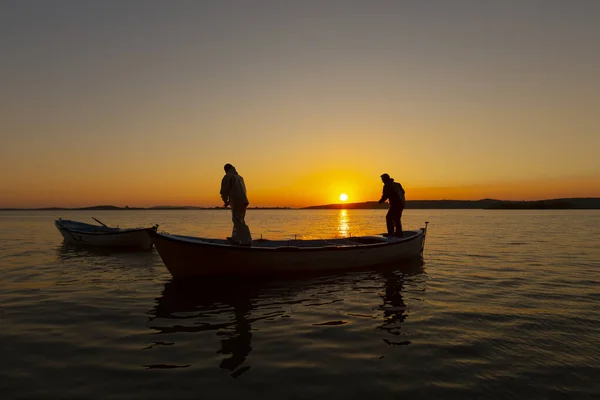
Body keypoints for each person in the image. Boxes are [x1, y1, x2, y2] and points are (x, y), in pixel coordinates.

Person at [220, 163, 252, 245]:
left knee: (237, 220)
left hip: (236, 201)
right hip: (244, 201)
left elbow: (224, 190)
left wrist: (225, 201)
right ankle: (235, 238)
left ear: (226, 169)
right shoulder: (240, 177)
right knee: (239, 220)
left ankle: (247, 241)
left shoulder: (228, 177)